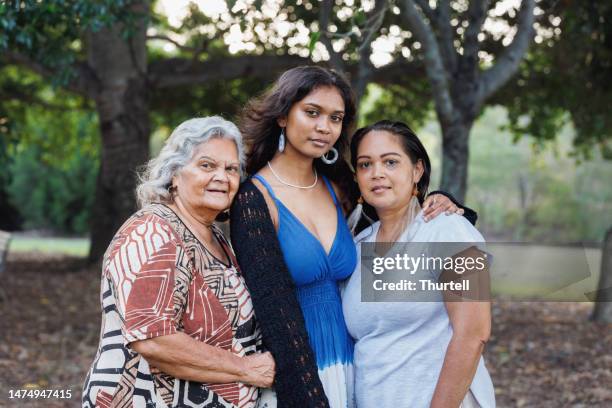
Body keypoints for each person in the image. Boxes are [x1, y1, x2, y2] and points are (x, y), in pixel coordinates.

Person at [229, 66, 472, 408]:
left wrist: (445, 201)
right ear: (283, 115)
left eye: (335, 117)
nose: (324, 127)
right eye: (312, 113)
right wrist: (306, 392)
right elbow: (271, 307)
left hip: (357, 368)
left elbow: (395, 218)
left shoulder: (339, 183)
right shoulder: (253, 199)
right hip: (299, 370)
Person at [82, 117, 275, 408]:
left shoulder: (215, 238)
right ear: (174, 173)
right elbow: (153, 340)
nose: (222, 177)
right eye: (207, 165)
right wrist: (247, 369)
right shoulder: (152, 232)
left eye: (231, 169)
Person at [342, 120, 495, 408]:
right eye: (365, 164)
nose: (377, 173)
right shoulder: (358, 245)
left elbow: (474, 334)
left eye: (390, 162)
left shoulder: (449, 230)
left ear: (417, 170)